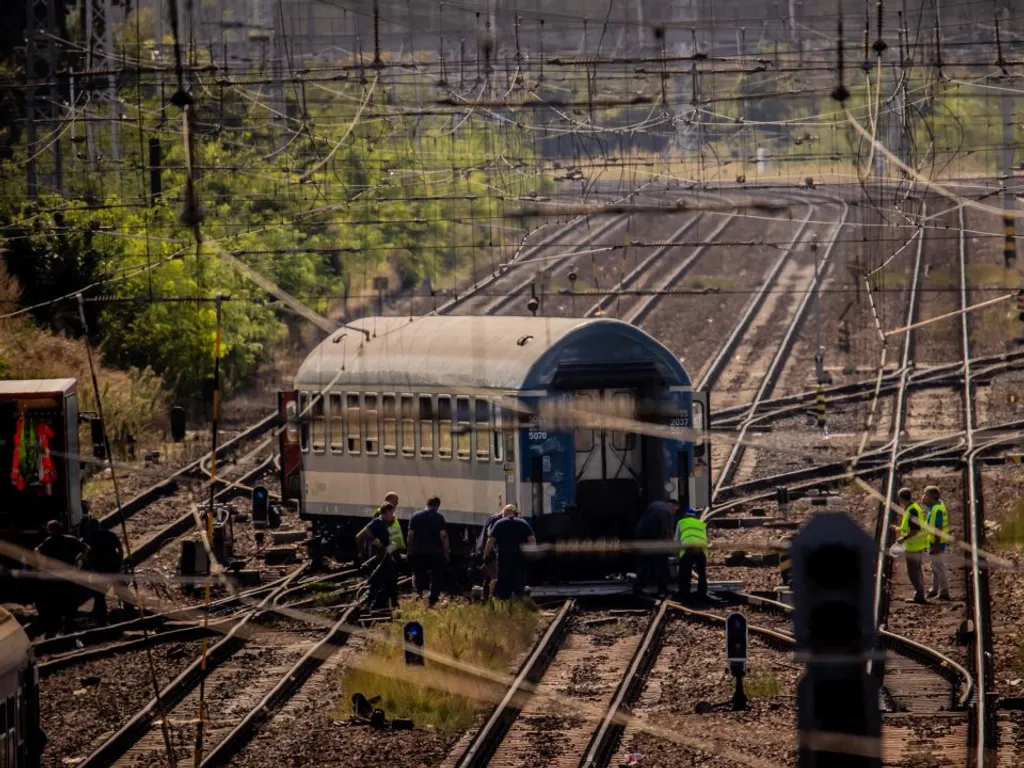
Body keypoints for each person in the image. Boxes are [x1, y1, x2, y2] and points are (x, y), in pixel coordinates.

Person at [35, 520, 88, 637]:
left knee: (55, 601)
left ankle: (55, 628)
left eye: (49, 529)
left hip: (54, 575)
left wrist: (42, 565)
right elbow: (87, 549)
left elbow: (37, 551)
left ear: (52, 530)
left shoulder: (48, 542)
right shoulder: (71, 539)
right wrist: (79, 560)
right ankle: (69, 627)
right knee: (70, 600)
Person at [79, 515, 127, 625]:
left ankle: (101, 615)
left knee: (99, 593)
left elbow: (85, 553)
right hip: (113, 565)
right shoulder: (110, 534)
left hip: (98, 567)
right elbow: (120, 549)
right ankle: (127, 610)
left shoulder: (89, 538)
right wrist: (120, 562)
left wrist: (88, 565)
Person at [484, 505, 536, 600]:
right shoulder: (523, 523)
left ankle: (504, 601)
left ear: (504, 514)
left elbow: (490, 541)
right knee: (519, 580)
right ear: (515, 514)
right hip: (520, 557)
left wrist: (487, 554)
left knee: (503, 580)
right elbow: (532, 540)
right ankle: (519, 600)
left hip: (504, 557)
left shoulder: (499, 523)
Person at [407, 496, 450, 605]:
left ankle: (418, 594)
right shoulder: (439, 517)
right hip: (435, 552)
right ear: (437, 506)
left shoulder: (415, 516)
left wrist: (409, 550)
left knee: (418, 574)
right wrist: (446, 552)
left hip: (418, 552)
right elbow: (443, 536)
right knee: (436, 575)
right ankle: (433, 598)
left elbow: (410, 535)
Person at [355, 503, 398, 610]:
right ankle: (386, 605)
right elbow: (359, 537)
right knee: (390, 581)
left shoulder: (380, 523)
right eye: (392, 513)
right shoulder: (378, 523)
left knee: (377, 582)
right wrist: (362, 553)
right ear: (387, 512)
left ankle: (371, 605)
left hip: (382, 558)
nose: (392, 516)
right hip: (380, 559)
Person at [895, 487, 929, 604]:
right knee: (916, 570)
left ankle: (919, 595)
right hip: (916, 545)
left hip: (913, 547)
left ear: (901, 498)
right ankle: (920, 593)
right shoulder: (913, 508)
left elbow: (915, 529)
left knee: (913, 572)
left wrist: (903, 538)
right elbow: (910, 527)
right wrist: (898, 529)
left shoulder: (911, 510)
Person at [633, 501, 672, 597]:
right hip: (655, 539)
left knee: (644, 564)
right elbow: (665, 529)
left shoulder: (653, 510)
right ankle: (662, 589)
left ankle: (639, 587)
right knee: (661, 564)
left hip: (642, 537)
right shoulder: (665, 512)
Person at [922, 485, 951, 601]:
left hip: (937, 544)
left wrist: (937, 546)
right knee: (935, 567)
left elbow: (938, 529)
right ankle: (934, 589)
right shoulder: (934, 507)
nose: (923, 497)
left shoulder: (937, 509)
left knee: (939, 567)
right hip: (933, 543)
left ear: (932, 497)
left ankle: (944, 592)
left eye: (925, 494)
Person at [675, 507, 708, 603]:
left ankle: (685, 595)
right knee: (702, 573)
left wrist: (677, 553)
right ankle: (702, 594)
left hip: (688, 549)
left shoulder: (681, 522)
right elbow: (705, 539)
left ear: (686, 515)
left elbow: (676, 540)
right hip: (701, 550)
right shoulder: (701, 524)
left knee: (684, 573)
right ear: (695, 516)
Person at [475, 506, 504, 600]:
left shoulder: (493, 519)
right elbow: (490, 538)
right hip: (490, 552)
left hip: (487, 551)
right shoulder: (496, 521)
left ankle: (487, 599)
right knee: (495, 577)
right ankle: (494, 598)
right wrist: (487, 553)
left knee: (488, 578)